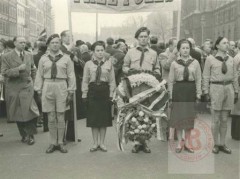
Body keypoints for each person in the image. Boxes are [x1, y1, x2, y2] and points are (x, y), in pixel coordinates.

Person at [34, 34, 76, 153]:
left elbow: (71, 75)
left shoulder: (66, 58)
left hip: (61, 85)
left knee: (61, 115)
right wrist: (38, 89)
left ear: (60, 44)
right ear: (48, 44)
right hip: (48, 85)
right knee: (51, 116)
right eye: (52, 43)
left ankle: (61, 142)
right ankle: (53, 142)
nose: (55, 44)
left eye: (57, 42)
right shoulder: (43, 58)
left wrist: (71, 91)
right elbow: (39, 74)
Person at [122, 27, 161, 153]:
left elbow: (157, 69)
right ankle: (136, 142)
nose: (143, 39)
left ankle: (145, 142)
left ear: (148, 38)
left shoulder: (153, 53)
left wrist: (155, 74)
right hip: (135, 88)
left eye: (145, 36)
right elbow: (124, 67)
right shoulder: (130, 52)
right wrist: (129, 71)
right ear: (137, 39)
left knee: (147, 114)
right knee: (135, 113)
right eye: (141, 37)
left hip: (148, 88)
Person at [203, 36, 238, 154]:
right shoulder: (210, 59)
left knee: (224, 119)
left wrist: (236, 91)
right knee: (216, 119)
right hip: (215, 88)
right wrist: (206, 92)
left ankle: (223, 144)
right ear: (217, 45)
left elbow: (234, 77)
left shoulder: (231, 59)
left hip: (228, 89)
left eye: (228, 43)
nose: (227, 45)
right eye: (224, 43)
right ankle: (215, 144)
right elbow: (206, 77)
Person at [1, 36, 39, 145]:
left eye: (24, 42)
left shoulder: (29, 55)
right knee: (17, 112)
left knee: (30, 111)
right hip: (14, 88)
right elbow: (4, 72)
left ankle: (31, 135)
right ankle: (24, 134)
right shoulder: (6, 56)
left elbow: (33, 69)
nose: (23, 44)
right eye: (21, 42)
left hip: (27, 86)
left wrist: (34, 80)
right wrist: (18, 69)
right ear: (15, 43)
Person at [168, 39, 202, 153]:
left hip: (190, 91)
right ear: (179, 50)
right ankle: (179, 143)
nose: (185, 50)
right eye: (183, 48)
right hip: (178, 91)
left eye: (187, 48)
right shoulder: (174, 63)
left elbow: (198, 79)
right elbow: (171, 81)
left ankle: (188, 143)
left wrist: (198, 94)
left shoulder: (195, 62)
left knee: (188, 119)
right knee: (179, 118)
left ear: (190, 49)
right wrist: (171, 96)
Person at [82, 41, 116, 152]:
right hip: (92, 92)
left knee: (103, 119)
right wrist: (84, 93)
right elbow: (85, 80)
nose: (100, 52)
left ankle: (102, 143)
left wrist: (111, 94)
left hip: (104, 92)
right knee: (94, 119)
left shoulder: (108, 63)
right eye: (97, 50)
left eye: (102, 50)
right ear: (93, 51)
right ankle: (95, 143)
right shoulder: (88, 64)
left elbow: (112, 81)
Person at [33, 41, 48, 132]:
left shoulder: (34, 57)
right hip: (46, 82)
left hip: (37, 82)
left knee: (36, 104)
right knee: (45, 105)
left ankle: (35, 124)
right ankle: (46, 126)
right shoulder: (47, 57)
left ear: (38, 48)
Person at [230, 39, 240, 141]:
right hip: (238, 85)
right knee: (237, 110)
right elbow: (235, 72)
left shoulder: (236, 57)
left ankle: (236, 133)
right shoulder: (238, 57)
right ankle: (236, 134)